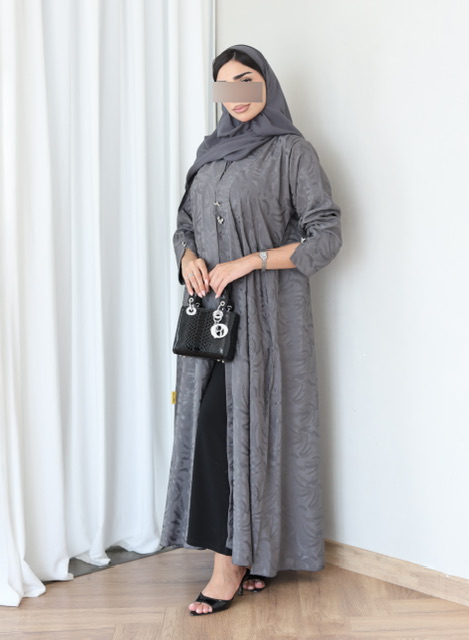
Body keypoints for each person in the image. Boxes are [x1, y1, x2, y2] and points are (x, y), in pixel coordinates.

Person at [161, 44, 342, 616]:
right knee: (215, 430)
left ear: (266, 82)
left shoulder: (292, 152)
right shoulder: (209, 152)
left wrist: (251, 261)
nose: (236, 95)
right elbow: (185, 222)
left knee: (253, 429)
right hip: (209, 318)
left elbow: (326, 235)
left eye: (246, 80)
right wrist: (188, 256)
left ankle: (230, 567)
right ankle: (251, 555)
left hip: (266, 319)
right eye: (225, 85)